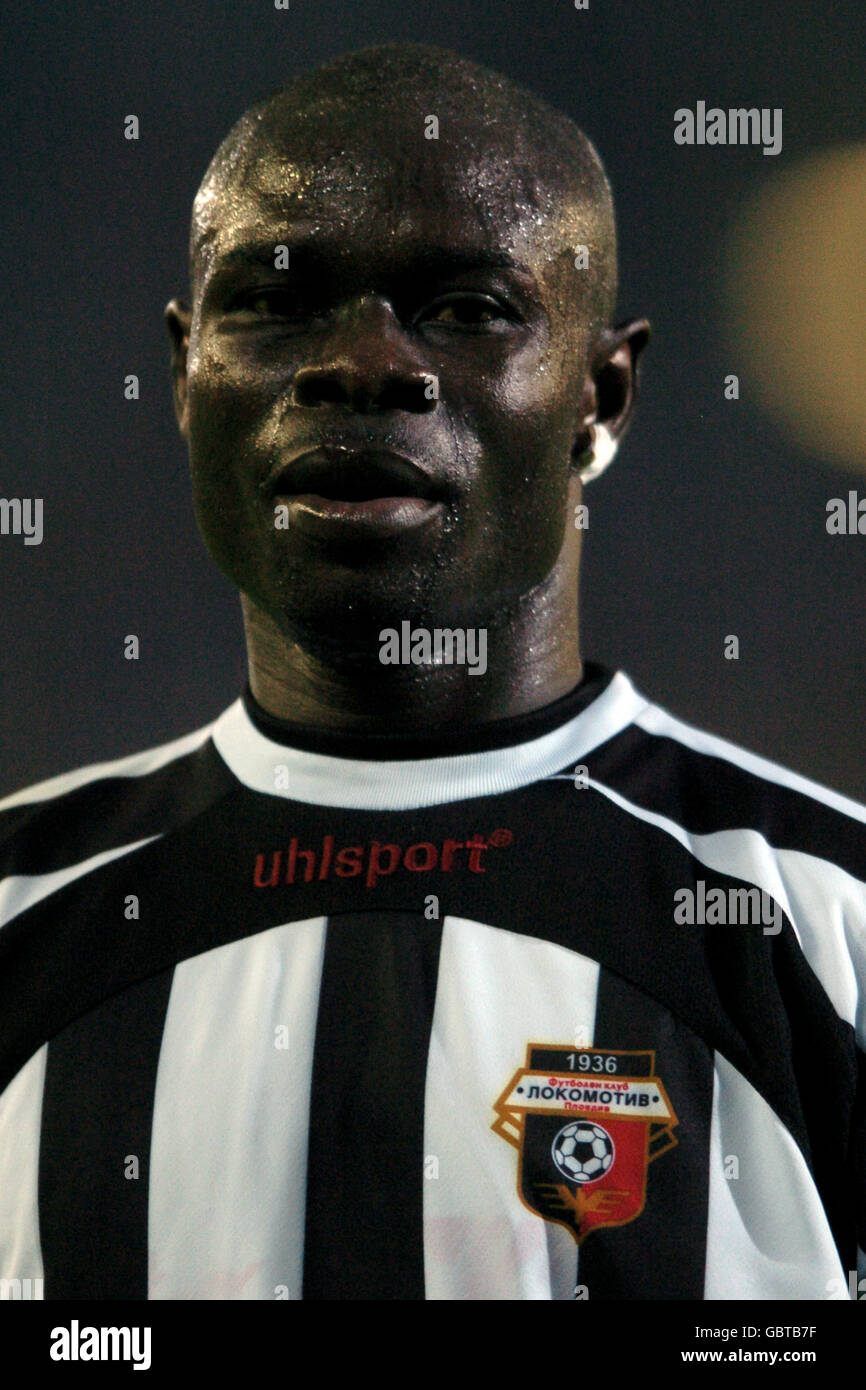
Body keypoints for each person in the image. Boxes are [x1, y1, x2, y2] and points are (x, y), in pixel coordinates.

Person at [0, 42, 863, 1302]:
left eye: (464, 308)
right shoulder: (24, 914)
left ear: (599, 395)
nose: (361, 364)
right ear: (186, 376)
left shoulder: (829, 934)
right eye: (277, 303)